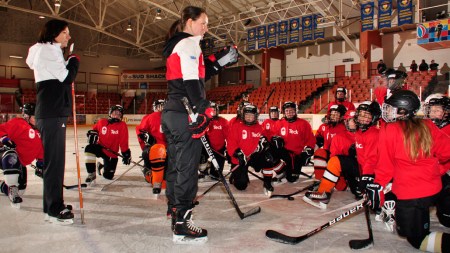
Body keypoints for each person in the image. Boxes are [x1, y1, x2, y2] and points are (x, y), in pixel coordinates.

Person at [161, 5, 238, 244]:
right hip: (185, 112)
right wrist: (202, 108)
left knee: (176, 165)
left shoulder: (178, 44)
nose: (206, 28)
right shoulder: (189, 43)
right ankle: (182, 224)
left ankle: (175, 211)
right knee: (187, 168)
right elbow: (192, 81)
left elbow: (193, 73)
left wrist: (216, 63)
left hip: (172, 112)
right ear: (189, 22)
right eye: (203, 22)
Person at [367, 90, 450, 252]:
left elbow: (385, 166)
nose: (387, 111)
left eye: (391, 108)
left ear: (403, 111)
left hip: (411, 193)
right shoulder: (427, 125)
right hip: (434, 188)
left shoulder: (389, 130)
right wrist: (435, 170)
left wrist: (378, 187)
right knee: (411, 224)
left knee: (416, 238)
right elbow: (447, 152)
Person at [25, 19, 79, 224]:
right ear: (54, 34)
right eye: (65, 32)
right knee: (54, 162)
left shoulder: (50, 51)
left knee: (55, 162)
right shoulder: (47, 51)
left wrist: (66, 59)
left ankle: (53, 203)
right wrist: (73, 60)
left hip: (53, 112)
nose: (68, 36)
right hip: (52, 112)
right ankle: (54, 207)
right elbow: (66, 77)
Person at [303, 109, 359, 209]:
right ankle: (322, 184)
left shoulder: (366, 135)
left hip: (364, 171)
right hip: (347, 174)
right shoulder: (339, 137)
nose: (354, 122)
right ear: (346, 121)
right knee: (322, 154)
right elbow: (335, 161)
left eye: (356, 119)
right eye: (351, 120)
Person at [226, 105, 284, 196]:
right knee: (241, 186)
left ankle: (267, 183)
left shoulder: (258, 127)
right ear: (243, 115)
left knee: (268, 158)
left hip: (253, 156)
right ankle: (234, 177)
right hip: (241, 159)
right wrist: (237, 154)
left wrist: (273, 137)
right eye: (247, 115)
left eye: (251, 115)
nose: (249, 118)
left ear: (255, 116)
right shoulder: (236, 127)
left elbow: (267, 134)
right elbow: (230, 144)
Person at [0, 103, 44, 208]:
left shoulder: (39, 132)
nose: (38, 120)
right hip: (3, 155)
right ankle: (12, 188)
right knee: (11, 156)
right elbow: (1, 130)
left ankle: (7, 187)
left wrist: (41, 164)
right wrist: (5, 139)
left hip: (19, 163)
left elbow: (40, 150)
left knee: (21, 190)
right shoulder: (18, 123)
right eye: (35, 117)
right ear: (26, 116)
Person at [84, 105, 131, 183]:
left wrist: (126, 154)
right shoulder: (102, 122)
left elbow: (124, 141)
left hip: (112, 153)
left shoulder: (122, 125)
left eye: (119, 114)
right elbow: (94, 130)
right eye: (115, 112)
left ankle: (101, 167)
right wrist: (91, 134)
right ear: (110, 113)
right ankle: (91, 173)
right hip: (101, 148)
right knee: (89, 148)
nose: (117, 115)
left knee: (108, 176)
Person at [271, 101, 315, 183]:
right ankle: (281, 170)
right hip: (284, 152)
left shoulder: (304, 124)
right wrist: (274, 139)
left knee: (291, 179)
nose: (289, 113)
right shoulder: (278, 123)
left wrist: (308, 150)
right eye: (287, 111)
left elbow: (310, 139)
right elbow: (272, 135)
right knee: (268, 152)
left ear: (296, 111)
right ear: (284, 112)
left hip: (297, 154)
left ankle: (289, 171)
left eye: (291, 110)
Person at [136, 99, 167, 194]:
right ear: (154, 108)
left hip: (168, 151)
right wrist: (146, 142)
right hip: (154, 151)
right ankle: (147, 171)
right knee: (162, 182)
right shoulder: (149, 117)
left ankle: (150, 173)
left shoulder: (171, 117)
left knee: (166, 182)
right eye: (158, 106)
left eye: (162, 106)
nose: (160, 109)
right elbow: (140, 132)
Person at [313, 104, 347, 186]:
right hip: (328, 155)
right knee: (319, 153)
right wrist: (310, 149)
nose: (333, 116)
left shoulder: (346, 127)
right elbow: (317, 139)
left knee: (340, 186)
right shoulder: (324, 126)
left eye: (336, 114)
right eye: (332, 114)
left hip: (340, 158)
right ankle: (319, 179)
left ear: (342, 116)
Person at [198, 102, 229, 181]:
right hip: (207, 147)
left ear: (217, 111)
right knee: (201, 159)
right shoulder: (203, 121)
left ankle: (211, 169)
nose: (212, 112)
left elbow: (228, 136)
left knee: (215, 175)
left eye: (214, 110)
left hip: (219, 148)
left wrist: (230, 149)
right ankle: (203, 169)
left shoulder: (223, 121)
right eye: (210, 110)